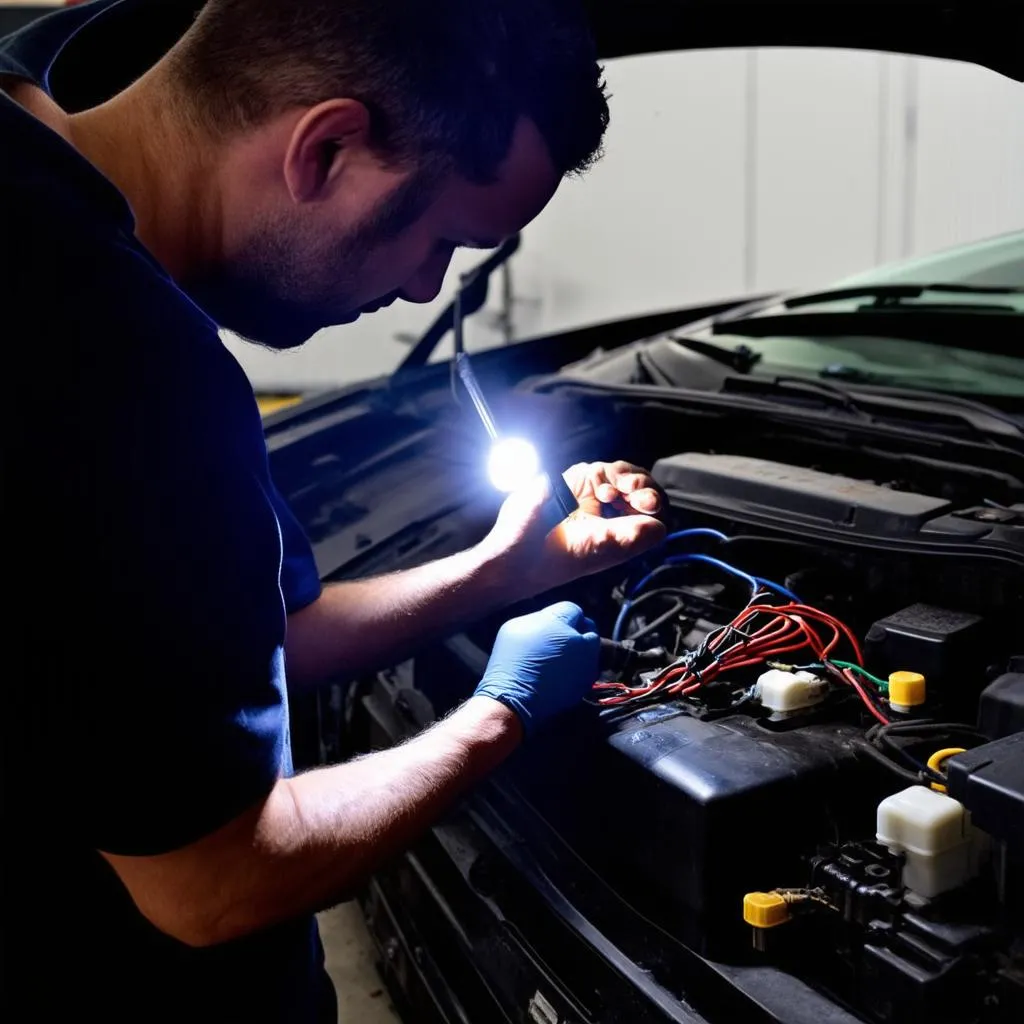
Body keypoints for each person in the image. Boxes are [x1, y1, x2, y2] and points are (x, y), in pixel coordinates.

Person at [2, 1, 665, 1019]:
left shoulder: (25, 126)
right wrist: (502, 714)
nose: (421, 289)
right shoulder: (112, 358)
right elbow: (215, 884)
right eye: (442, 237)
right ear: (328, 146)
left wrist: (502, 569)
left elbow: (206, 656)